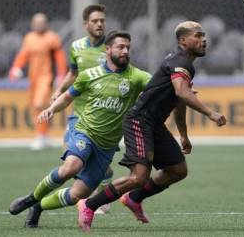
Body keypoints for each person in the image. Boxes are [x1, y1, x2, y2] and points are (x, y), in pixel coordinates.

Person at [77, 21, 227, 232]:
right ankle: (89, 205)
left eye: (204, 36)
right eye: (198, 36)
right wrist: (211, 112)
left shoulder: (185, 65)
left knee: (178, 170)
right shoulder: (178, 62)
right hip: (139, 121)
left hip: (154, 124)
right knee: (139, 177)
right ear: (183, 41)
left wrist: (183, 135)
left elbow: (180, 99)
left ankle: (134, 199)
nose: (204, 40)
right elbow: (182, 93)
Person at [8, 31, 151, 229]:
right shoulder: (89, 75)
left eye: (128, 47)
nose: (125, 51)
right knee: (71, 167)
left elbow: (159, 85)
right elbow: (68, 97)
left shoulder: (137, 77)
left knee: (78, 194)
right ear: (108, 50)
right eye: (121, 47)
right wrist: (51, 109)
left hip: (107, 147)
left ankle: (38, 207)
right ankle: (31, 198)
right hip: (85, 132)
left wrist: (179, 86)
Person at [51, 4, 113, 214]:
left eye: (102, 21)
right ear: (85, 24)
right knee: (71, 157)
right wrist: (59, 90)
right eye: (95, 21)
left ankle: (102, 198)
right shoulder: (77, 46)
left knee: (101, 166)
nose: (99, 24)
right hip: (79, 112)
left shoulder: (112, 47)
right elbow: (73, 73)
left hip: (103, 115)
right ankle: (86, 198)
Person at [8, 12, 67, 150]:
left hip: (46, 76)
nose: (39, 25)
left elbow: (60, 58)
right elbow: (23, 55)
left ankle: (41, 136)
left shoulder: (52, 38)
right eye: (36, 22)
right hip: (33, 78)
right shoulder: (29, 38)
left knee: (40, 103)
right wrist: (15, 68)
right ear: (32, 24)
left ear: (46, 24)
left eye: (41, 22)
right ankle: (43, 135)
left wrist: (61, 74)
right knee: (35, 106)